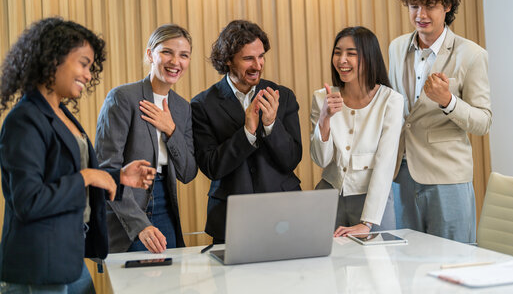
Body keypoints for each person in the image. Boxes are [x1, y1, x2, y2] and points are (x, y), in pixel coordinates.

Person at [0, 17, 155, 293]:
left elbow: (62, 174)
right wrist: (87, 175)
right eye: (83, 63)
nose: (88, 74)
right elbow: (28, 201)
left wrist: (116, 177)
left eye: (90, 67)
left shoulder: (61, 113)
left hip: (69, 256)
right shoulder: (24, 119)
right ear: (53, 58)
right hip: (40, 266)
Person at [389, 0, 492, 243]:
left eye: (430, 6)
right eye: (414, 6)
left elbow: (483, 122)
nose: (420, 15)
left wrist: (448, 101)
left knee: (453, 263)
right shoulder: (396, 48)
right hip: (402, 175)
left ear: (447, 6)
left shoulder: (472, 55)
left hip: (447, 177)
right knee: (407, 266)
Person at [191, 20, 302, 243]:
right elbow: (212, 167)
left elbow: (291, 159)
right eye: (248, 58)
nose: (258, 65)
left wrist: (271, 125)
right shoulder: (202, 105)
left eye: (261, 56)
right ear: (228, 60)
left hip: (284, 212)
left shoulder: (283, 95)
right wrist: (247, 133)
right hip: (231, 216)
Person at [95, 24, 197, 253]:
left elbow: (188, 173)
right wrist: (140, 224)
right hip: (126, 206)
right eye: (167, 52)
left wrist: (171, 130)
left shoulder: (182, 108)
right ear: (150, 54)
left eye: (184, 55)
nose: (175, 62)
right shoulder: (122, 98)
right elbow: (106, 168)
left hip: (165, 206)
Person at [310, 27, 403, 237]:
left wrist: (367, 223)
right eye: (337, 52)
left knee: (377, 267)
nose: (342, 60)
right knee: (328, 268)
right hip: (329, 198)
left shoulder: (391, 100)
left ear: (369, 57)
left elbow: (385, 164)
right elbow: (321, 160)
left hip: (373, 204)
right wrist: (324, 118)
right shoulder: (321, 98)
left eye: (351, 53)